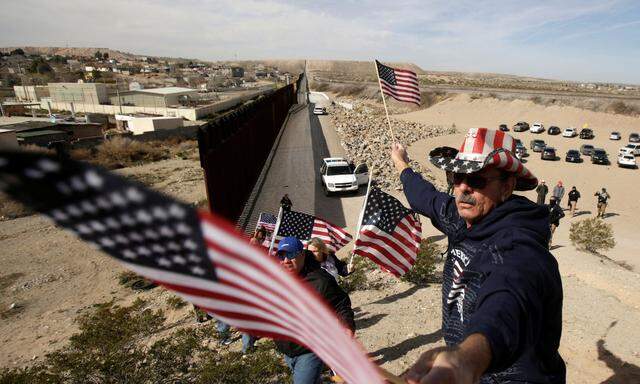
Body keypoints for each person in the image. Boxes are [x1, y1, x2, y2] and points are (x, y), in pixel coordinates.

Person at [391, 128, 565, 384]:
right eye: (457, 176)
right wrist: (401, 163)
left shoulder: (519, 245)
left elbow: (507, 300)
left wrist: (467, 358)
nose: (463, 188)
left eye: (477, 180)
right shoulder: (462, 217)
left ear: (507, 186)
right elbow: (424, 197)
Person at [274, 237, 355, 384]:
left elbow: (341, 304)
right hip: (287, 349)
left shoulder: (320, 280)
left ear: (302, 255)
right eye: (282, 255)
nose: (286, 260)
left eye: (291, 254)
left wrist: (347, 325)